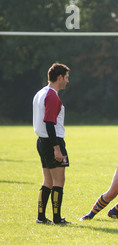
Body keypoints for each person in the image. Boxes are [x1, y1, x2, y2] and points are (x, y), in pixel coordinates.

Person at [33, 63, 71, 224]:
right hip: (52, 141)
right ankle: (56, 218)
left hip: (42, 141)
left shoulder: (41, 93)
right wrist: (56, 148)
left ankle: (41, 217)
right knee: (59, 181)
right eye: (67, 78)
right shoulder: (52, 96)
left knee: (47, 181)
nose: (68, 81)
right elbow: (49, 122)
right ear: (60, 77)